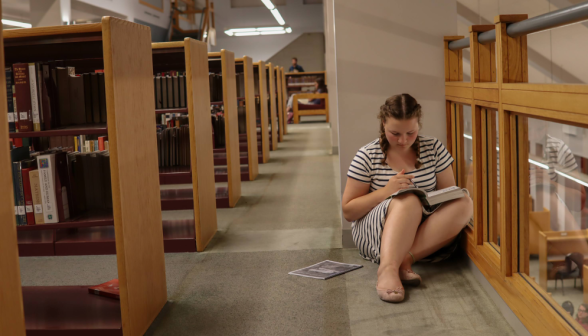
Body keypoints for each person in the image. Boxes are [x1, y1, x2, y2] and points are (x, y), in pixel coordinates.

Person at [341, 94, 473, 303]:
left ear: (418, 125)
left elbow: (449, 196)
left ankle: (403, 259)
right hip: (379, 231)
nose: (403, 140)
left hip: (423, 230)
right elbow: (348, 212)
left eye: (410, 133)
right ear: (383, 124)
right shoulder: (367, 155)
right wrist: (386, 191)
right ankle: (388, 270)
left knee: (464, 202)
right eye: (395, 133)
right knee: (408, 199)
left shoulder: (434, 148)